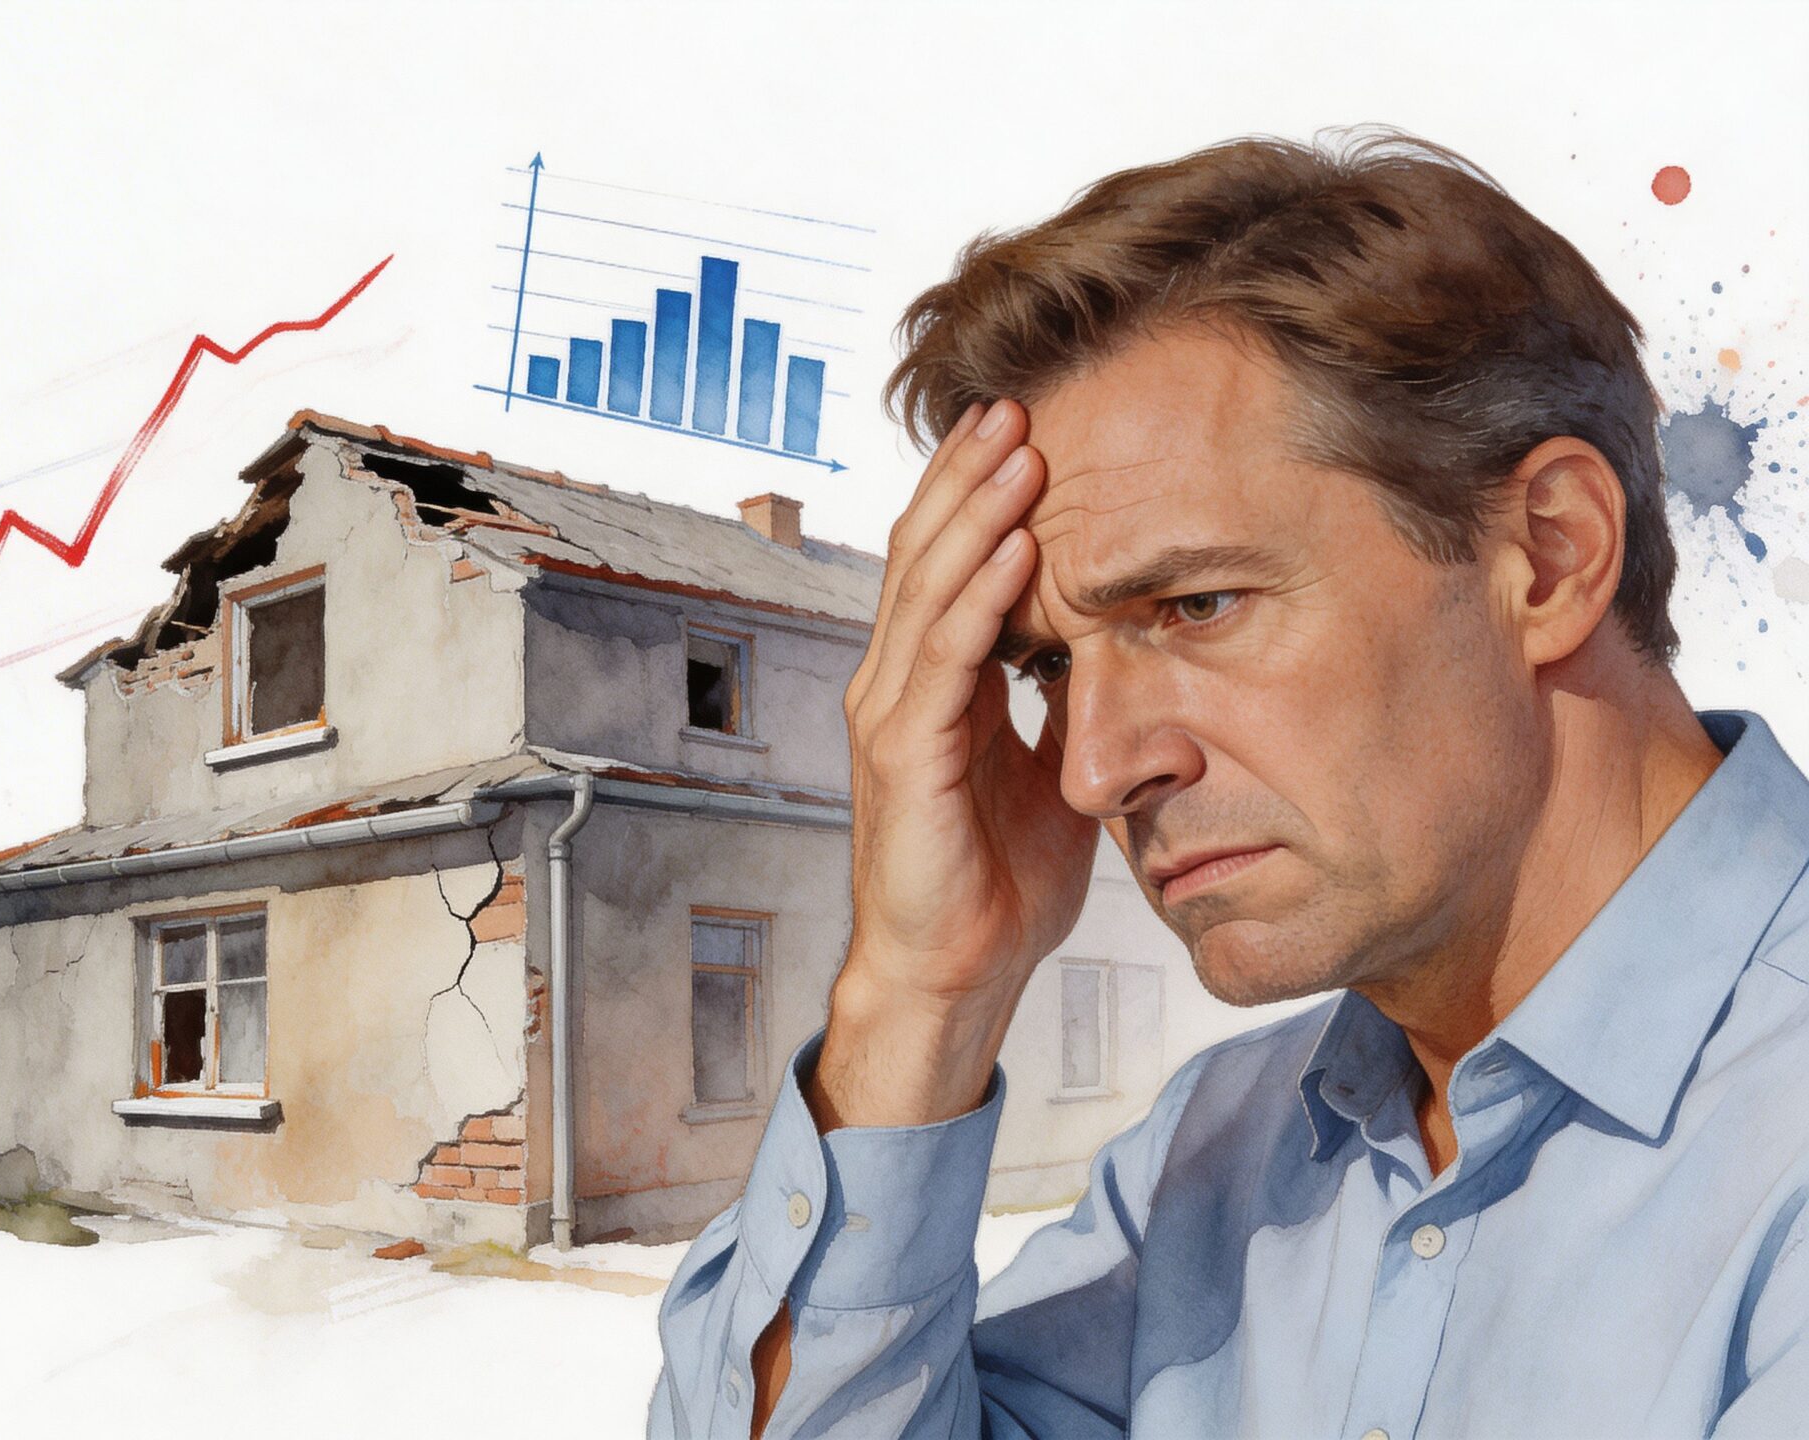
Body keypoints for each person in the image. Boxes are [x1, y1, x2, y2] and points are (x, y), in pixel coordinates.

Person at [646, 130, 1809, 1439]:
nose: (1093, 770)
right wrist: (917, 997)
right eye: (1048, 667)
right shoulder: (1215, 1156)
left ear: (1548, 555)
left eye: (1196, 605)